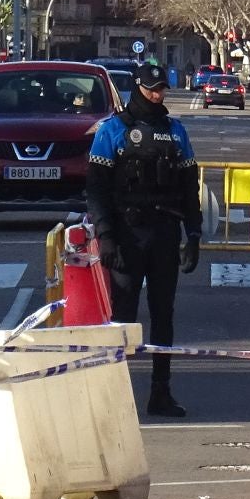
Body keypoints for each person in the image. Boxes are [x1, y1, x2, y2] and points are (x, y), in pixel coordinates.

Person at [86, 60, 202, 417]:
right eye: (151, 89)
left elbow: (188, 188)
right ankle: (114, 399)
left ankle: (160, 393)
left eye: (161, 89)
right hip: (126, 236)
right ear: (137, 88)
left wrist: (193, 235)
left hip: (164, 233)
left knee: (163, 316)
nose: (157, 94)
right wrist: (105, 237)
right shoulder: (112, 131)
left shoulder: (176, 131)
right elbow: (97, 190)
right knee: (122, 318)